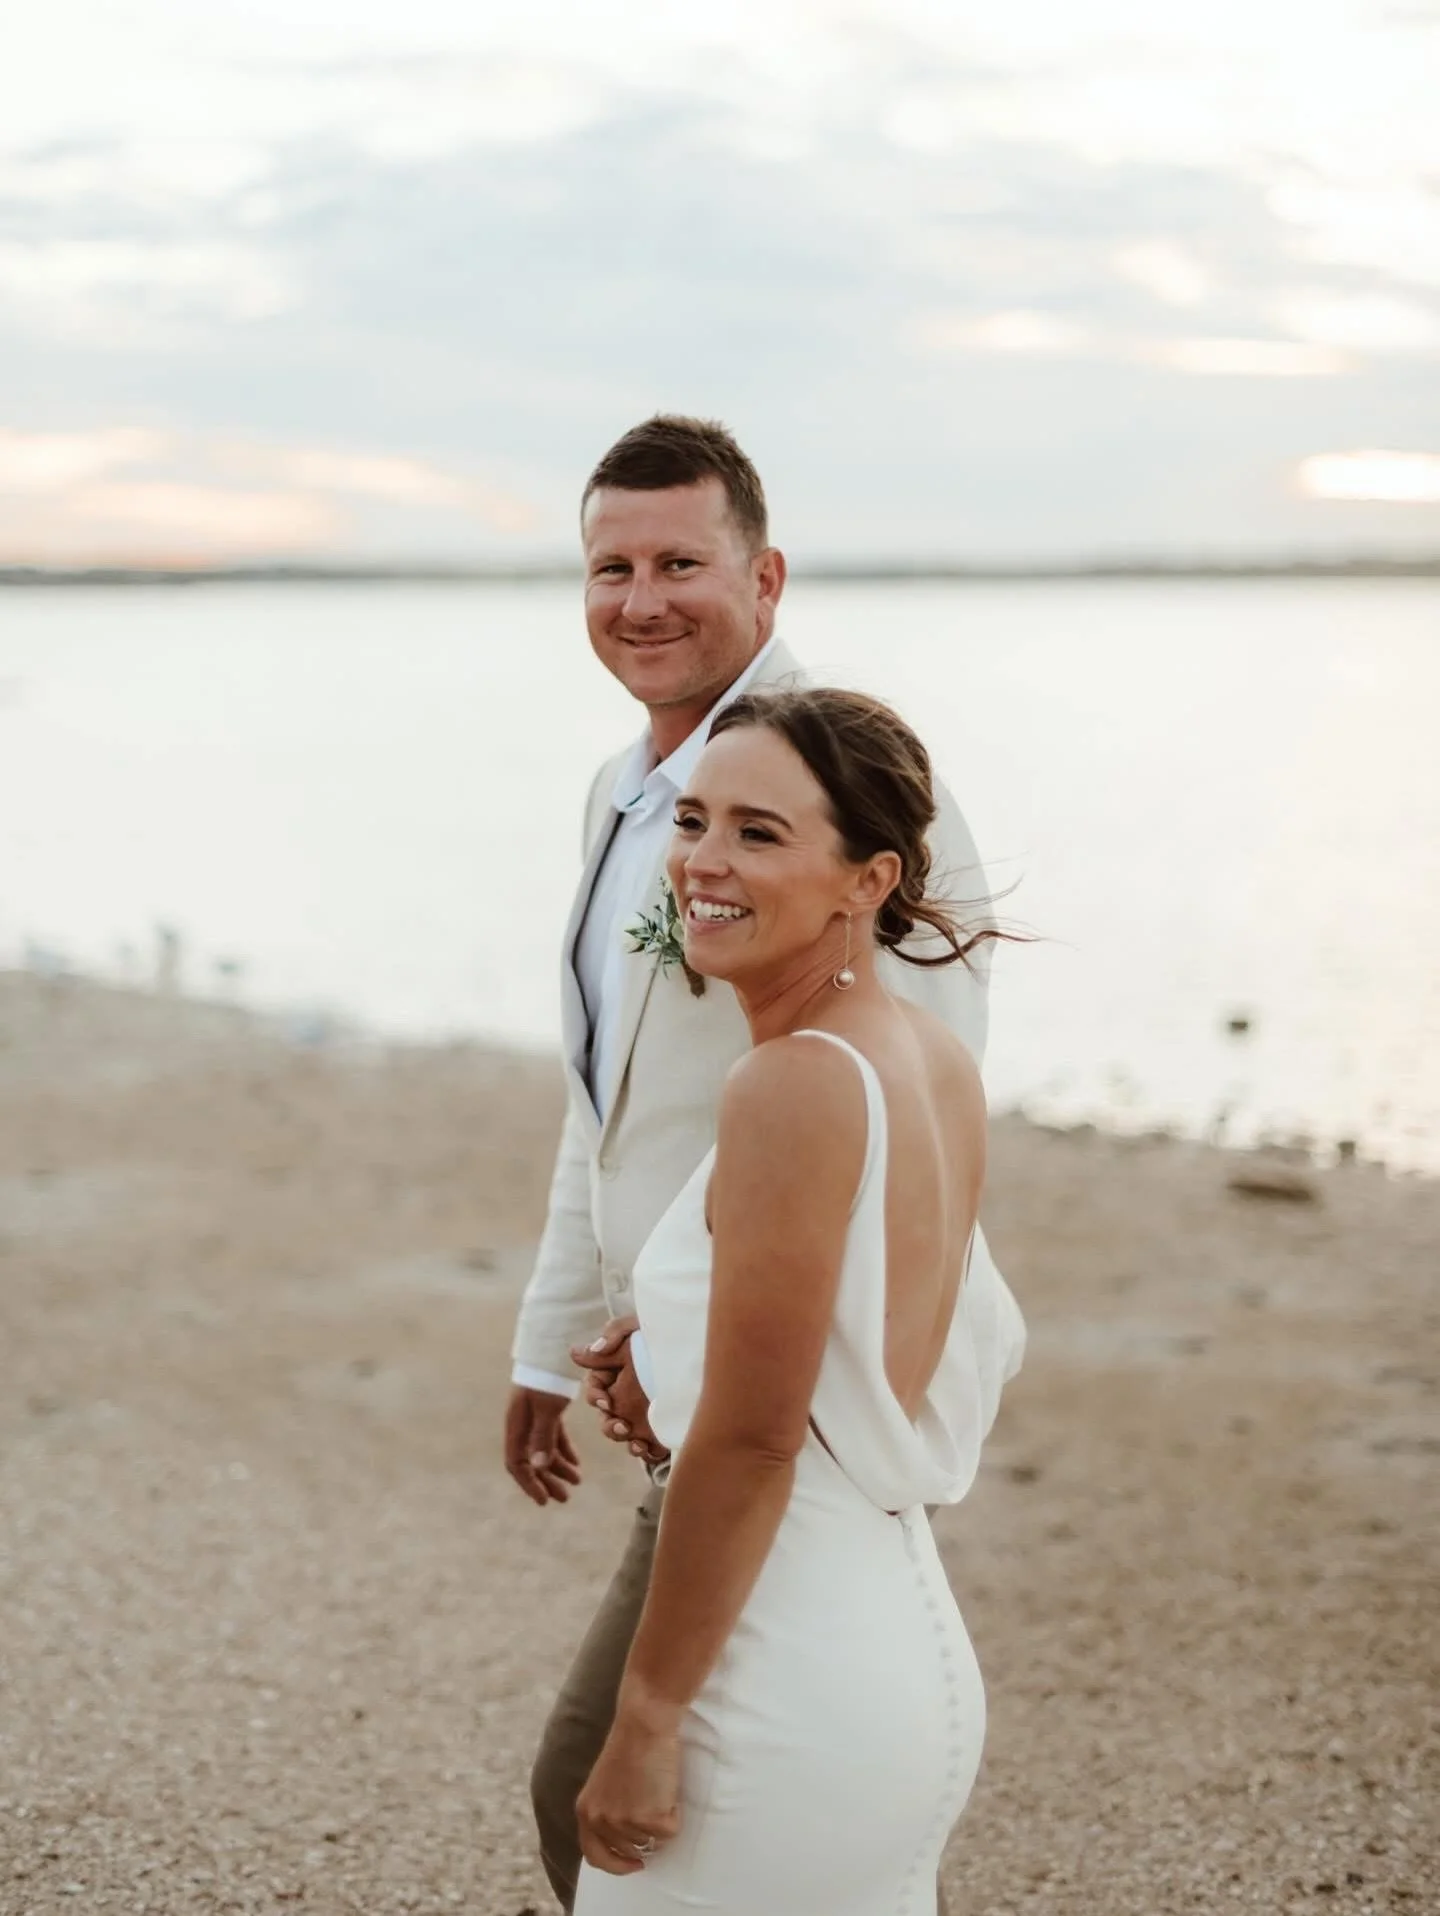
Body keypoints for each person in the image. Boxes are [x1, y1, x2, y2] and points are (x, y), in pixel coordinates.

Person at [505, 415, 1024, 1912]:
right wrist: (563, 1335)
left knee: (601, 1790)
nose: (642, 598)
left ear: (767, 576)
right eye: (611, 567)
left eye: (681, 561)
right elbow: (595, 1101)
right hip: (684, 1352)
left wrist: (714, 1341)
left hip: (768, 1391)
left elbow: (905, 1119)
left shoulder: (848, 788)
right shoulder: (626, 798)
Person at [572, 685, 1007, 1912]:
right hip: (894, 1633)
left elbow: (761, 1439)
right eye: (695, 819)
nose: (703, 861)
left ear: (867, 880)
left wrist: (649, 1713)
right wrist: (672, 1357)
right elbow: (877, 1362)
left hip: (775, 1677)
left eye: (760, 833)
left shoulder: (793, 1085)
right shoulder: (932, 1061)